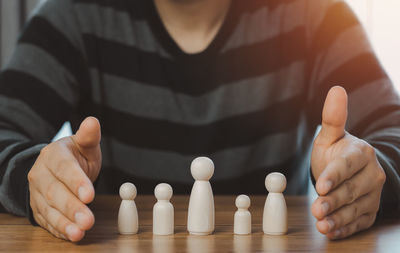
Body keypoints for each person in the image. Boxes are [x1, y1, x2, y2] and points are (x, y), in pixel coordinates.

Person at [0, 0, 398, 242]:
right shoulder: (72, 17)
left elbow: (392, 129)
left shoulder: (314, 16)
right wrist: (33, 179)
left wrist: (370, 173)